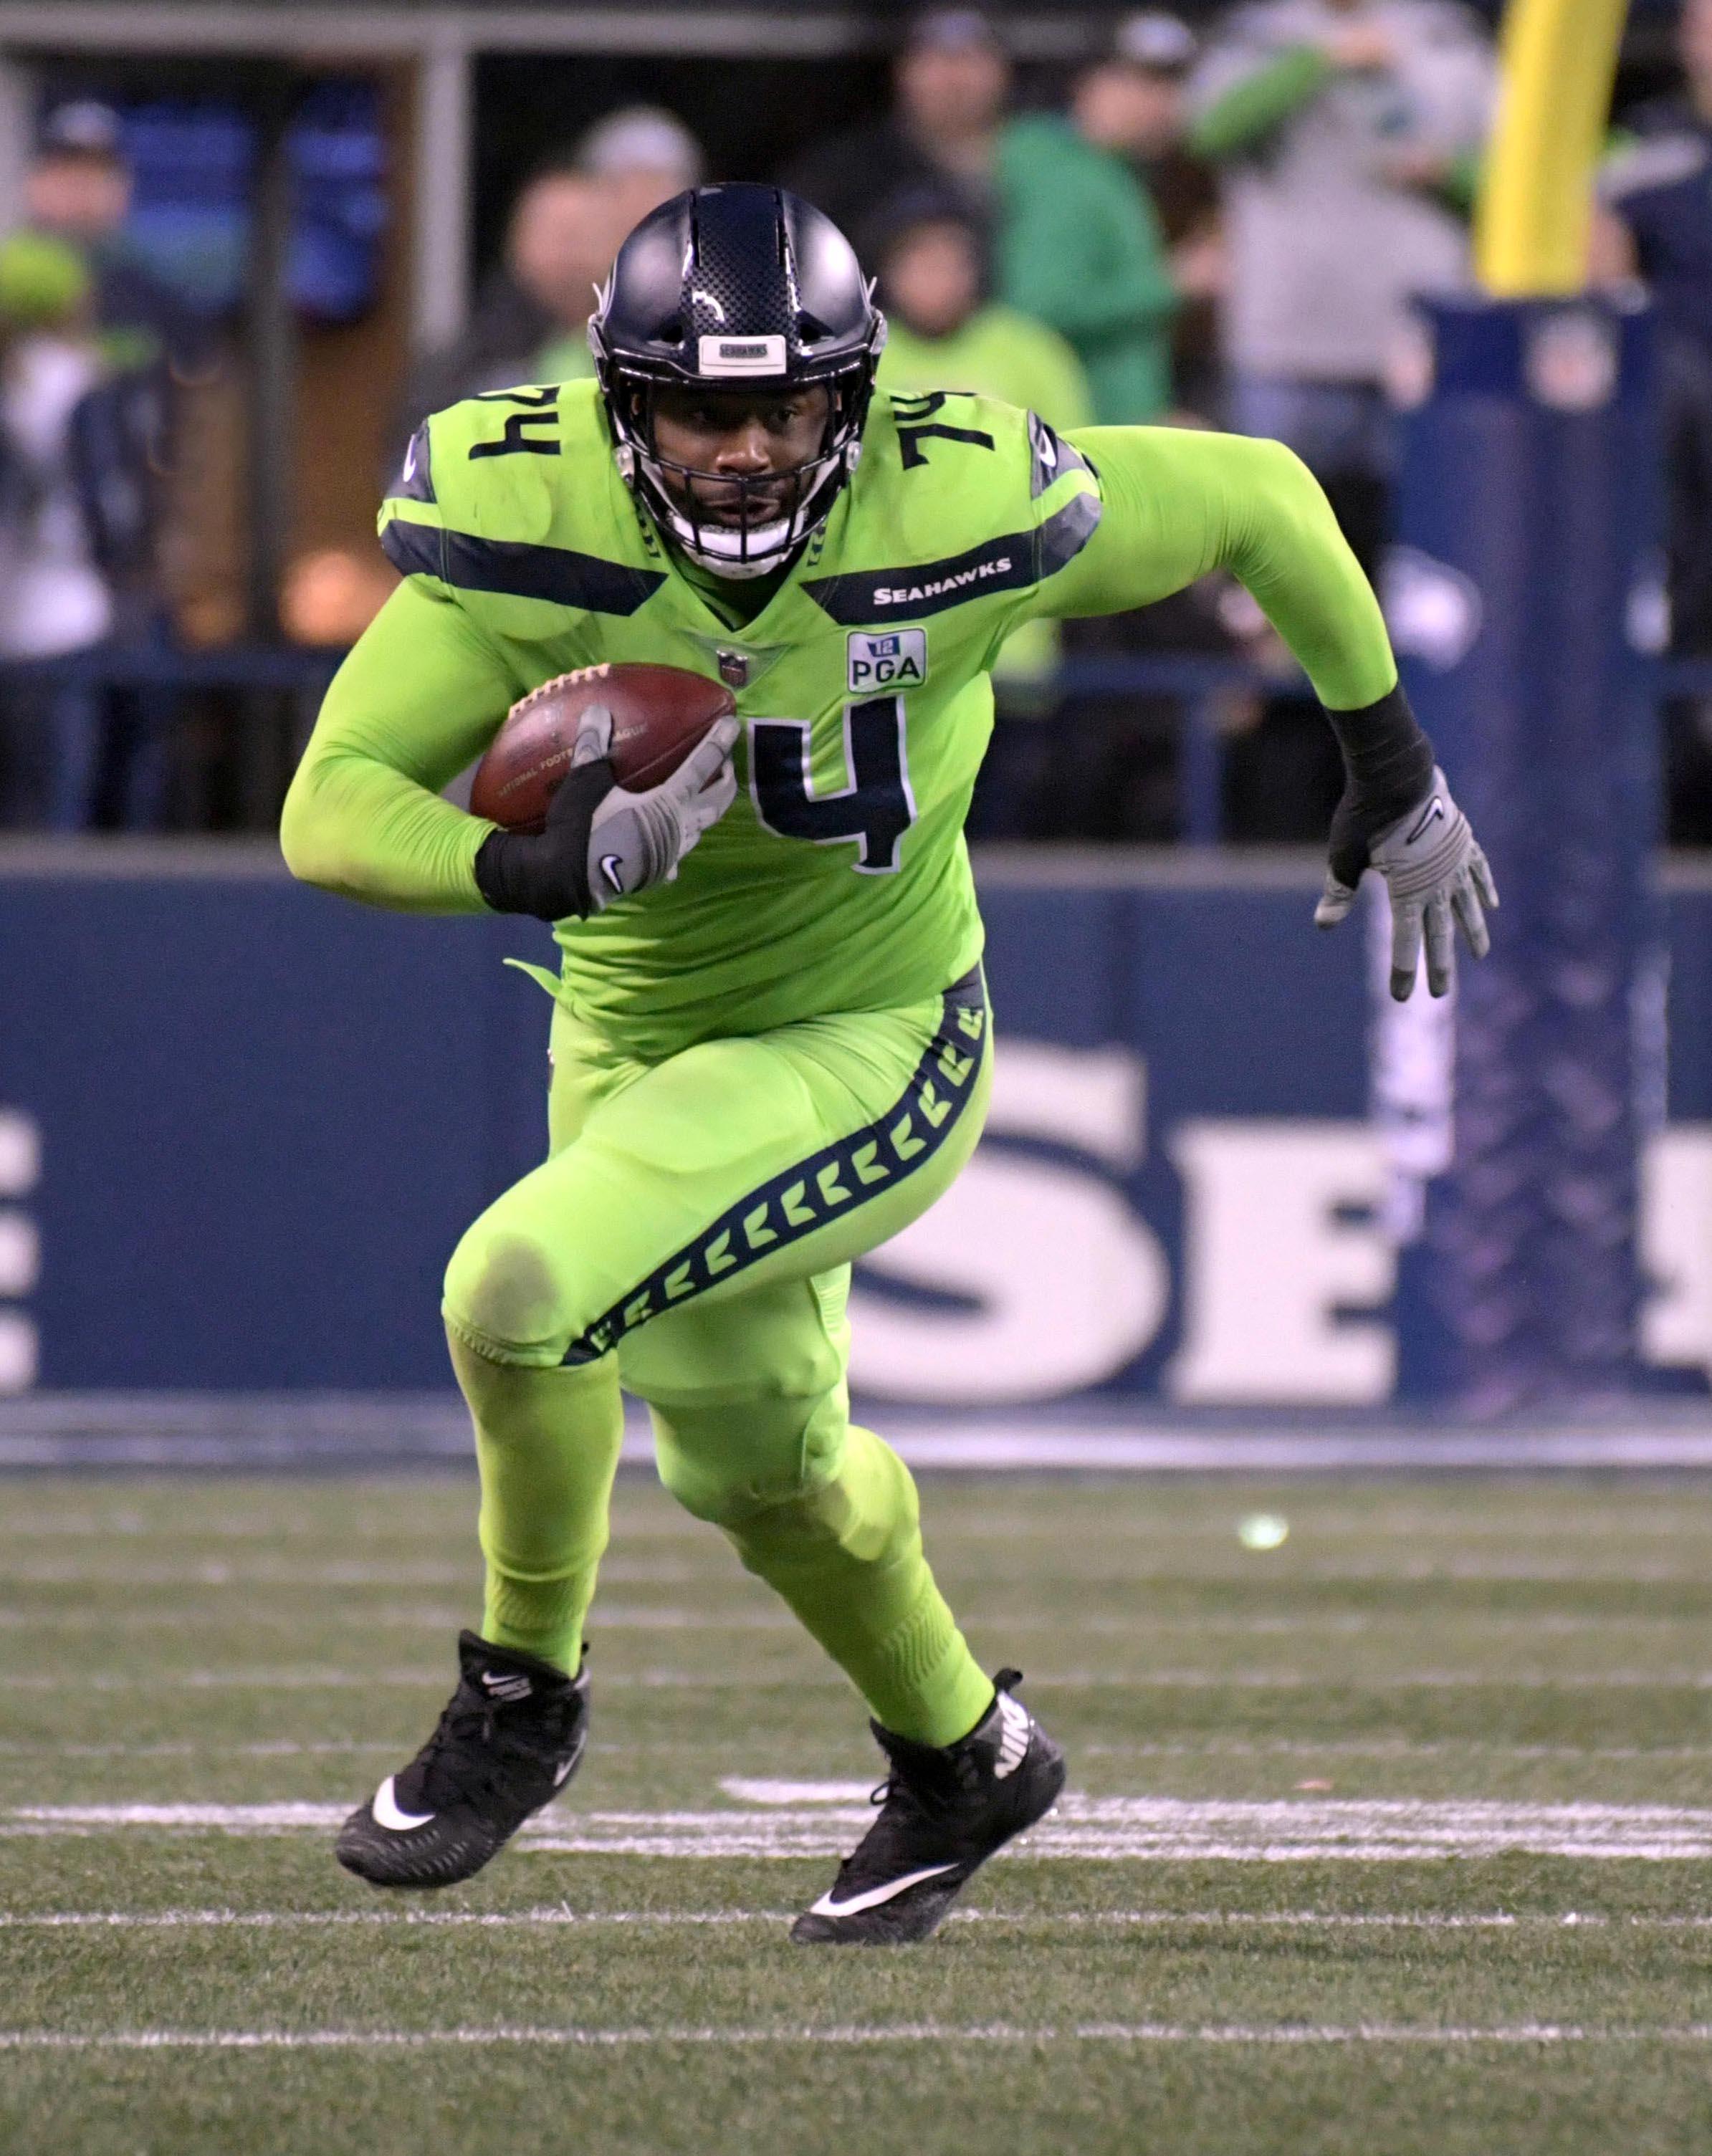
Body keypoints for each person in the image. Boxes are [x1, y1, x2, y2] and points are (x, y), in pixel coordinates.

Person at [280, 183, 1496, 1943]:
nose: (752, 452)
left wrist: (1386, 760)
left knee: (515, 1287)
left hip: (870, 1035)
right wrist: (526, 865)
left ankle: (519, 1698)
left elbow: (1260, 495)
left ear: (853, 398)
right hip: (628, 1035)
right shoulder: (522, 521)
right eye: (705, 409)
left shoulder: (961, 495)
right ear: (625, 406)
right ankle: (964, 1751)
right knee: (755, 1467)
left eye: (787, 409)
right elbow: (330, 805)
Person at [1187, 0, 1496, 565]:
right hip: (1287, 348)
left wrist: (1446, 170)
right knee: (1269, 550)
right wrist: (1318, 58)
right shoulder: (1260, 33)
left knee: (1424, 553)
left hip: (1418, 343)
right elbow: (1208, 130)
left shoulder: (1444, 34)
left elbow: (1514, 183)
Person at [995, 26, 1183, 426]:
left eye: (1168, 85)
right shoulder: (1064, 178)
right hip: (1082, 431)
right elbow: (1041, 308)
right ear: (1088, 85)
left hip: (1105, 430)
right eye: (1138, 83)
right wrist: (1171, 283)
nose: (1160, 103)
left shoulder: (1109, 171)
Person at [783, 7, 1010, 258]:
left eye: (970, 57)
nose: (954, 78)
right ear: (903, 71)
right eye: (935, 58)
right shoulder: (847, 173)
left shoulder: (1043, 163)